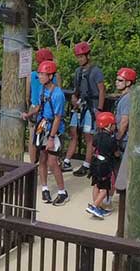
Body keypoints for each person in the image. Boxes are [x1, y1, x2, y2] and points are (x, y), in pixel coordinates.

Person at [32, 59, 69, 206]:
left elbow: (58, 117)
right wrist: (28, 115)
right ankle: (45, 188)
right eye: (40, 74)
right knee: (42, 159)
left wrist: (52, 137)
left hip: (53, 129)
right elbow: (40, 107)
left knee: (53, 162)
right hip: (42, 126)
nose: (40, 76)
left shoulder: (58, 94)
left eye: (43, 74)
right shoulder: (43, 89)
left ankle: (62, 192)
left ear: (51, 76)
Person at [66, 41, 106, 175]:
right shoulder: (78, 71)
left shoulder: (96, 71)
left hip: (92, 106)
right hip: (81, 105)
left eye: (82, 56)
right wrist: (74, 97)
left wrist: (99, 109)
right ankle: (72, 160)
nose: (80, 59)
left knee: (89, 136)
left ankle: (87, 164)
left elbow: (101, 90)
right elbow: (77, 89)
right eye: (78, 57)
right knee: (75, 132)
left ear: (88, 56)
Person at [85, 110, 121, 220]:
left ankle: (98, 205)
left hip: (95, 163)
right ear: (109, 125)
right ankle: (95, 206)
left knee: (96, 185)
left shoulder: (96, 136)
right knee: (105, 189)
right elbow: (116, 153)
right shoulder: (111, 140)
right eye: (114, 124)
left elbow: (93, 148)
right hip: (105, 166)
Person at [25, 45, 55, 163]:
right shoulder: (54, 76)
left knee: (33, 138)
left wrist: (30, 104)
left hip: (34, 108)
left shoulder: (32, 75)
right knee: (47, 138)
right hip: (48, 110)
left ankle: (32, 164)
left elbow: (27, 95)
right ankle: (47, 163)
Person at [113, 66, 137, 142]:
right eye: (116, 80)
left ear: (128, 82)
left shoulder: (128, 98)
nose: (116, 82)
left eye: (120, 80)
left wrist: (118, 137)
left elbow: (124, 121)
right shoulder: (127, 96)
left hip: (125, 139)